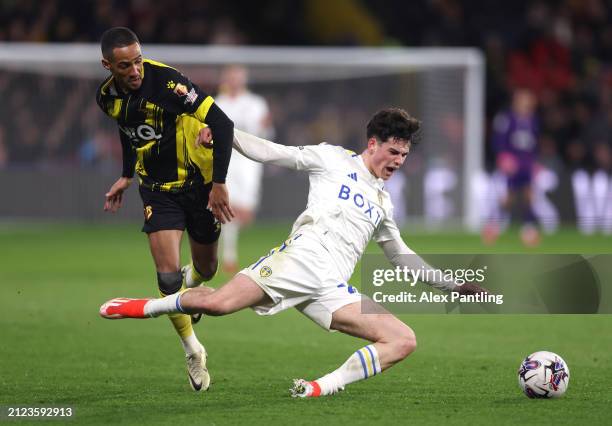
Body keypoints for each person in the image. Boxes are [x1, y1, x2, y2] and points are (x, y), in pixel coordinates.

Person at [100, 108, 487, 397]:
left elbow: (400, 255)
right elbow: (272, 153)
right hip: (302, 258)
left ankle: (320, 388)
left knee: (403, 340)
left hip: (331, 286)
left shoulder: (383, 204)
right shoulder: (332, 158)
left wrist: (450, 285)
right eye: (393, 151)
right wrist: (225, 134)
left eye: (404, 156)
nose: (398, 162)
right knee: (217, 305)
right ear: (373, 144)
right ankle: (142, 307)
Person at [96, 27, 235, 392]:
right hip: (158, 193)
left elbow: (222, 123)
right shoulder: (107, 98)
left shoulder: (169, 84)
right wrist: (127, 176)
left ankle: (190, 290)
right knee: (167, 278)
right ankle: (192, 349)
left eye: (138, 60)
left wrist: (218, 184)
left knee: (207, 268)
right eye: (125, 65)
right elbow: (129, 132)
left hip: (198, 186)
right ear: (108, 65)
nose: (135, 70)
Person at [214, 65, 273, 274]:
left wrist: (265, 126)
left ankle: (225, 248)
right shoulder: (217, 103)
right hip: (226, 160)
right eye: (231, 77)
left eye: (238, 77)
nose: (235, 81)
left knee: (246, 214)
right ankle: (228, 255)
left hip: (250, 161)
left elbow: (265, 133)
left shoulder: (256, 103)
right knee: (226, 207)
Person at [482, 88, 540, 246]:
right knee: (508, 199)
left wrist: (534, 162)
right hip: (511, 165)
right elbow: (498, 140)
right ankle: (493, 225)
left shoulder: (533, 120)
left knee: (529, 196)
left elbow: (534, 145)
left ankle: (528, 229)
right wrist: (503, 157)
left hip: (526, 164)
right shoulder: (506, 118)